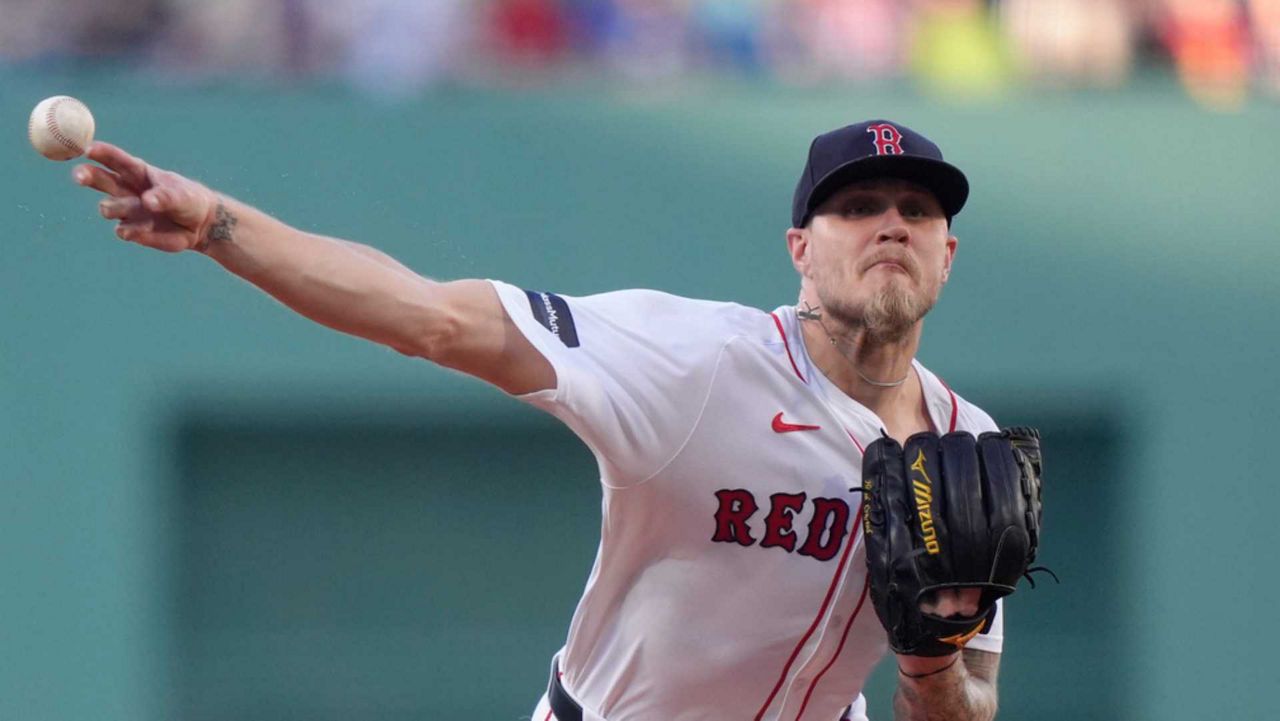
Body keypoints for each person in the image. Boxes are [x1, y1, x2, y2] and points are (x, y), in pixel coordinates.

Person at [74, 119, 1003, 721]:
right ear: (801, 247)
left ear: (948, 254)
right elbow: (428, 315)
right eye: (857, 207)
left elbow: (970, 708)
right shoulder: (692, 361)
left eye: (917, 210)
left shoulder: (972, 456)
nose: (892, 224)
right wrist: (219, 228)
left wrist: (929, 659)